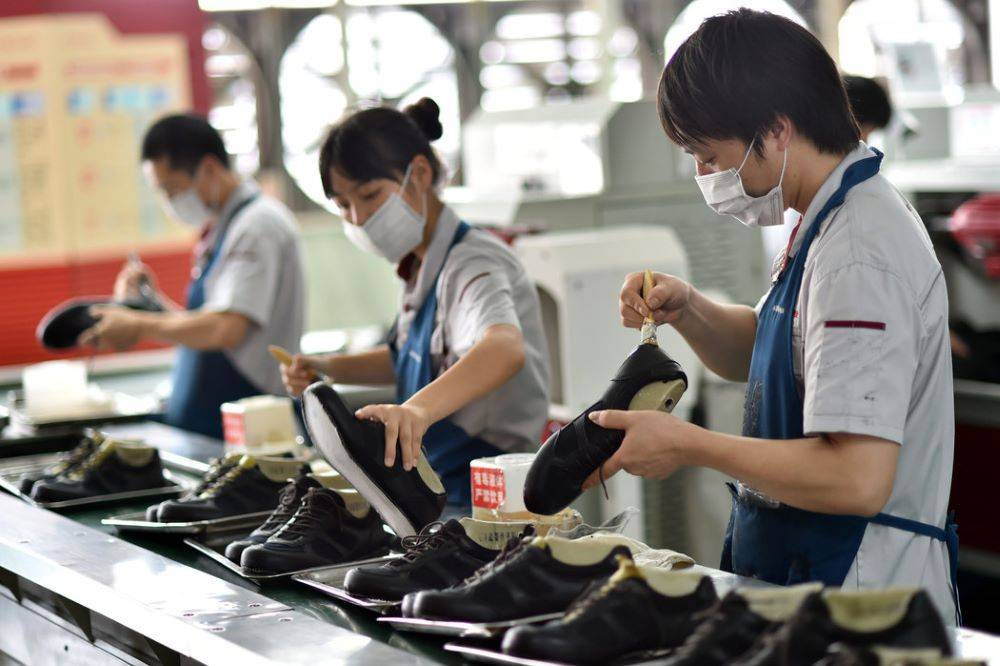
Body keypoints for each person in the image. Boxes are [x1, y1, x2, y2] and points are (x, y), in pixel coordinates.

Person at [590, 10, 958, 623]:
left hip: (862, 596)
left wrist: (690, 445)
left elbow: (857, 477)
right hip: (807, 581)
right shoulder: (825, 221)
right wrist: (690, 309)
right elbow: (768, 354)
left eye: (711, 156)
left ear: (779, 129)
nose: (706, 177)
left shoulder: (857, 253)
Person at [281, 98, 550, 512]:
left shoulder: (472, 261)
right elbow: (409, 358)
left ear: (419, 174)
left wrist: (416, 411)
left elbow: (504, 348)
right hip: (440, 482)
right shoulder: (420, 265)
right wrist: (329, 367)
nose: (357, 218)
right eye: (343, 206)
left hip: (485, 495)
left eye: (369, 195)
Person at [80, 114, 306, 440]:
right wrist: (150, 306)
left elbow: (225, 329)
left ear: (210, 169)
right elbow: (204, 325)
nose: (170, 202)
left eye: (173, 188)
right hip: (207, 424)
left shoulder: (258, 226)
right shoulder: (223, 229)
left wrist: (138, 325)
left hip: (251, 428)